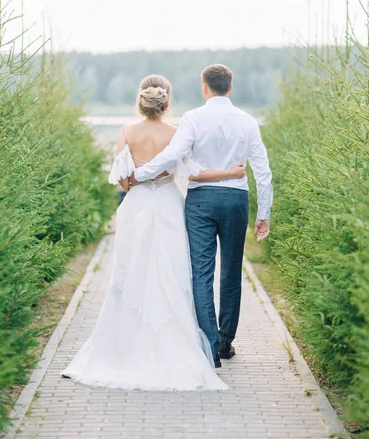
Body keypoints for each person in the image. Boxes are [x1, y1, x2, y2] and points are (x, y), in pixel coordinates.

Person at [60, 74, 246, 391]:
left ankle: (124, 346)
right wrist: (231, 172)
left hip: (137, 206)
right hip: (171, 205)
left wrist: (135, 182)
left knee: (131, 271)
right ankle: (177, 344)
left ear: (140, 99)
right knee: (173, 273)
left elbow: (123, 179)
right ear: (167, 101)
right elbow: (195, 172)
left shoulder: (127, 132)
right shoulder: (176, 133)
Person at [134, 64, 273, 365]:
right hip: (237, 199)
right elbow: (263, 171)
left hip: (200, 203)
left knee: (201, 271)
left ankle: (209, 343)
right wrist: (264, 213)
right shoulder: (248, 122)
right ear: (230, 88)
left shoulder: (193, 119)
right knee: (232, 270)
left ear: (204, 87)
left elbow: (172, 155)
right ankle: (225, 341)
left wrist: (140, 173)